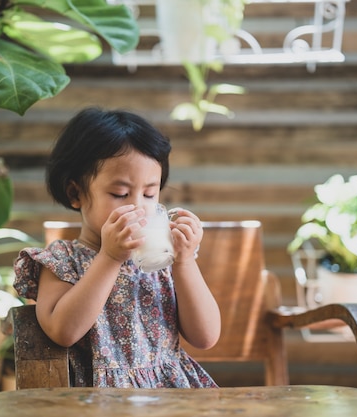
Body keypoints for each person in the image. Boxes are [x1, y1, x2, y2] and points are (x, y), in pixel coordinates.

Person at [13, 107, 221, 388]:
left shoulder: (163, 261)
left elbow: (205, 336)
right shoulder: (61, 260)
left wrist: (185, 261)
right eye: (120, 194)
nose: (138, 207)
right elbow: (63, 331)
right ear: (76, 193)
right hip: (99, 403)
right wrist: (110, 257)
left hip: (169, 398)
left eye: (149, 194)